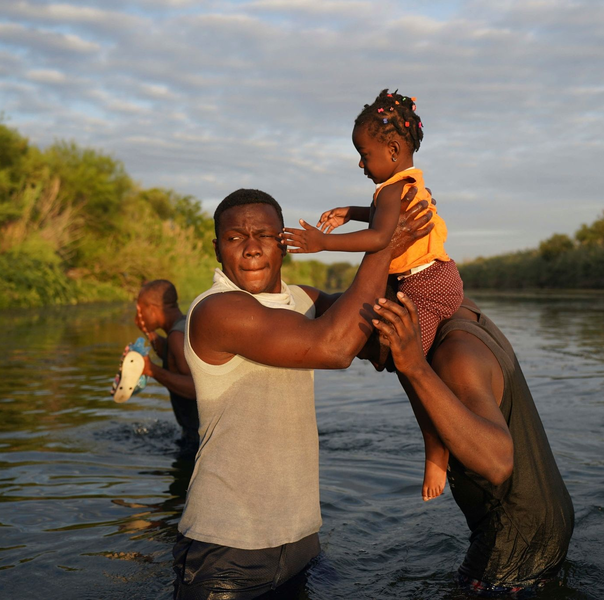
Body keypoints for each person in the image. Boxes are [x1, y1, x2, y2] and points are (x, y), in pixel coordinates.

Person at [173, 188, 432, 599]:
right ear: (217, 249)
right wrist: (382, 245)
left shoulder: (304, 299)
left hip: (300, 541)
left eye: (264, 235)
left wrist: (416, 257)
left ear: (285, 242)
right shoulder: (216, 310)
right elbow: (334, 347)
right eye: (235, 238)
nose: (252, 248)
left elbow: (370, 339)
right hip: (226, 552)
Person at [281, 89, 462, 502]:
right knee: (398, 355)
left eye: (364, 155)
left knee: (411, 365)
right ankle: (436, 443)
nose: (360, 164)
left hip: (426, 286)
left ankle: (437, 449)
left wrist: (322, 243)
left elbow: (382, 235)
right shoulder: (401, 185)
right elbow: (382, 216)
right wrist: (351, 210)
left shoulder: (393, 190)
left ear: (394, 150)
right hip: (425, 279)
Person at [362, 288, 575, 596]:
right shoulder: (460, 311)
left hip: (514, 542)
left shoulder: (455, 356)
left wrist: (415, 366)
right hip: (545, 521)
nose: (374, 364)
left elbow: (498, 463)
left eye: (366, 350)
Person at [134, 279, 199, 453]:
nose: (137, 315)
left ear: (152, 309)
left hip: (199, 440)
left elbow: (197, 388)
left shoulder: (177, 336)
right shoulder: (183, 325)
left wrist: (151, 370)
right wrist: (148, 332)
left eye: (140, 310)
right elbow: (174, 360)